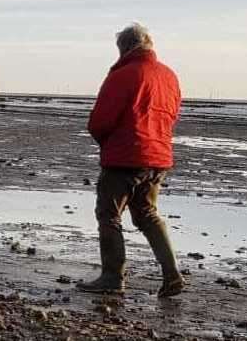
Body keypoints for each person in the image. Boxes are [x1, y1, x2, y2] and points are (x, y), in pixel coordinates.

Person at [78, 23, 185, 297]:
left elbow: (100, 121)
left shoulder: (122, 75)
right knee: (147, 213)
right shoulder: (169, 76)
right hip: (158, 157)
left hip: (125, 157)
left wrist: (109, 143)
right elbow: (171, 116)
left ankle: (113, 276)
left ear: (125, 48)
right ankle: (172, 273)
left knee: (109, 214)